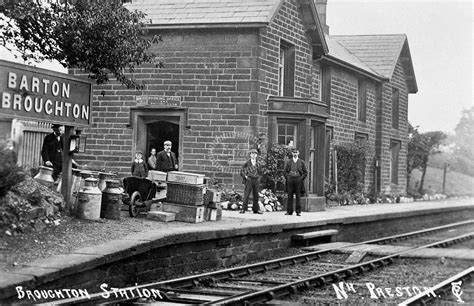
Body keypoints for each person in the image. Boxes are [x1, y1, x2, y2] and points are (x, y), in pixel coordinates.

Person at [284, 147, 307, 216]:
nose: (295, 154)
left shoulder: (301, 162)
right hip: (290, 179)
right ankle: (289, 211)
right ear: (292, 153)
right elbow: (285, 171)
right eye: (294, 153)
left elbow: (305, 172)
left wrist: (301, 178)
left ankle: (298, 211)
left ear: (298, 153)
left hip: (298, 180)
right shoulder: (288, 161)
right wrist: (288, 178)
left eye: (296, 152)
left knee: (298, 195)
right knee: (290, 195)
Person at [239, 149, 263, 214]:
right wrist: (246, 177)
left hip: (256, 180)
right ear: (250, 155)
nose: (253, 155)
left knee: (256, 195)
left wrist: (258, 179)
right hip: (249, 179)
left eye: (255, 154)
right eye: (252, 154)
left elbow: (261, 173)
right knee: (246, 194)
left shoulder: (258, 163)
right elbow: (241, 171)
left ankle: (256, 209)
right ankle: (243, 209)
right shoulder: (247, 163)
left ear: (256, 155)